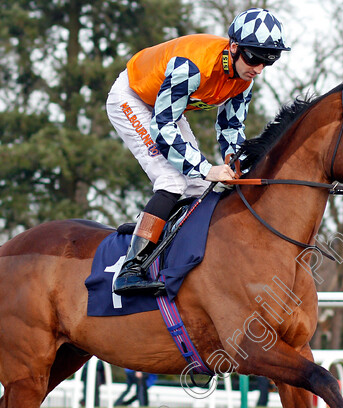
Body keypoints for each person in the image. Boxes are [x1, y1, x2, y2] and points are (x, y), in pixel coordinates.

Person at [107, 8, 290, 294]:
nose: (258, 68)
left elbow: (230, 129)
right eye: (254, 57)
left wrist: (237, 164)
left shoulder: (244, 80)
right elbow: (162, 126)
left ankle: (158, 231)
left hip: (164, 108)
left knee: (196, 188)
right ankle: (131, 268)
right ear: (233, 47)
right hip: (132, 99)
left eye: (269, 61)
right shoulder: (192, 66)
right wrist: (207, 168)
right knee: (173, 180)